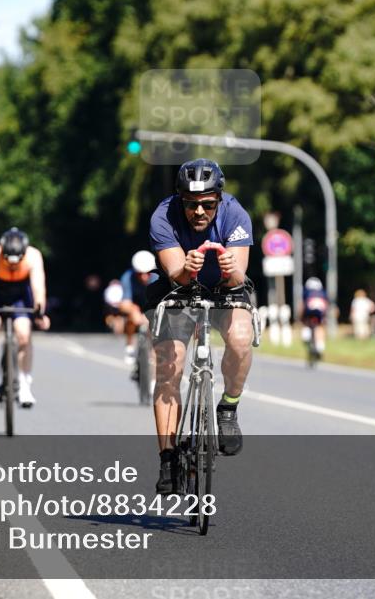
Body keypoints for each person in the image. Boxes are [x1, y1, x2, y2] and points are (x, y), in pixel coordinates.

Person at [146, 158, 255, 495]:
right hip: (177, 288)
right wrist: (186, 268)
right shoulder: (162, 217)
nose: (199, 212)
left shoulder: (236, 215)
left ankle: (228, 408)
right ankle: (167, 458)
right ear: (180, 200)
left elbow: (240, 276)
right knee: (169, 365)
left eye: (208, 205)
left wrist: (229, 269)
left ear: (219, 200)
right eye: (191, 205)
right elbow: (175, 272)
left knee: (240, 338)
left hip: (225, 289)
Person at [0, 227, 50, 406]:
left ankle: (24, 383)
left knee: (23, 333)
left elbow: (38, 287)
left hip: (20, 296)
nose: (13, 265)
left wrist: (40, 312)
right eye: (9, 261)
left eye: (17, 261)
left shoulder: (33, 256)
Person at [119, 250, 158, 367]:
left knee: (155, 323)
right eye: (140, 273)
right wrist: (133, 311)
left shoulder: (157, 277)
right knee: (131, 319)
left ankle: (152, 352)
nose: (144, 277)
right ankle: (129, 347)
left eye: (147, 273)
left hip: (151, 307)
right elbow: (124, 303)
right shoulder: (127, 277)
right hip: (135, 307)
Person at [301, 277, 328, 353]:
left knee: (306, 321)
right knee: (320, 326)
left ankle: (306, 335)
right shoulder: (323, 292)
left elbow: (303, 305)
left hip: (309, 312)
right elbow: (326, 305)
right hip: (320, 312)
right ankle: (320, 346)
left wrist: (301, 317)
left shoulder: (306, 292)